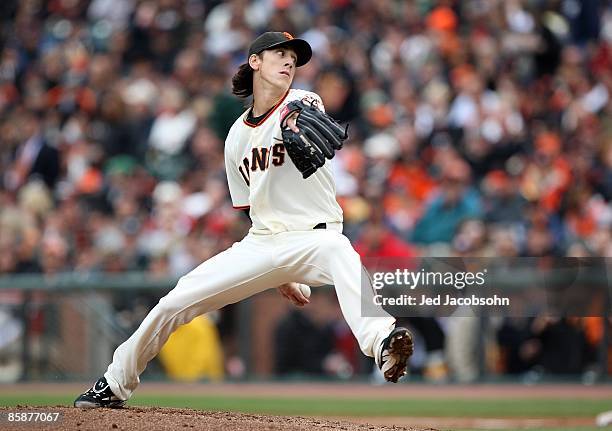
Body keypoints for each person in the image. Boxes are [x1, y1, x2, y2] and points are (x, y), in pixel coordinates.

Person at [74, 31, 413, 408]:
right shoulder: (236, 137)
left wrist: (296, 126)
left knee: (341, 251)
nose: (289, 62)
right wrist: (281, 273)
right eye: (280, 54)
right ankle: (113, 384)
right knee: (174, 302)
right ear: (255, 62)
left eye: (293, 58)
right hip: (261, 242)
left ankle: (382, 339)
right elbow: (251, 208)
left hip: (314, 238)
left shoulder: (302, 99)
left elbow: (305, 114)